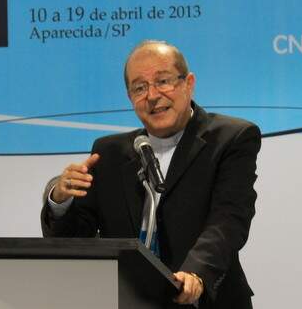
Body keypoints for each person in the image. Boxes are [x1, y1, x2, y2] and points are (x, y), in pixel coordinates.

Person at [41, 40, 261, 308]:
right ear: (130, 98)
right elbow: (75, 240)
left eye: (163, 81)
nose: (152, 95)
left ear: (188, 83)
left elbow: (228, 220)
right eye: (139, 88)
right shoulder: (108, 153)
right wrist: (60, 201)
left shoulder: (230, 138)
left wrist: (196, 274)